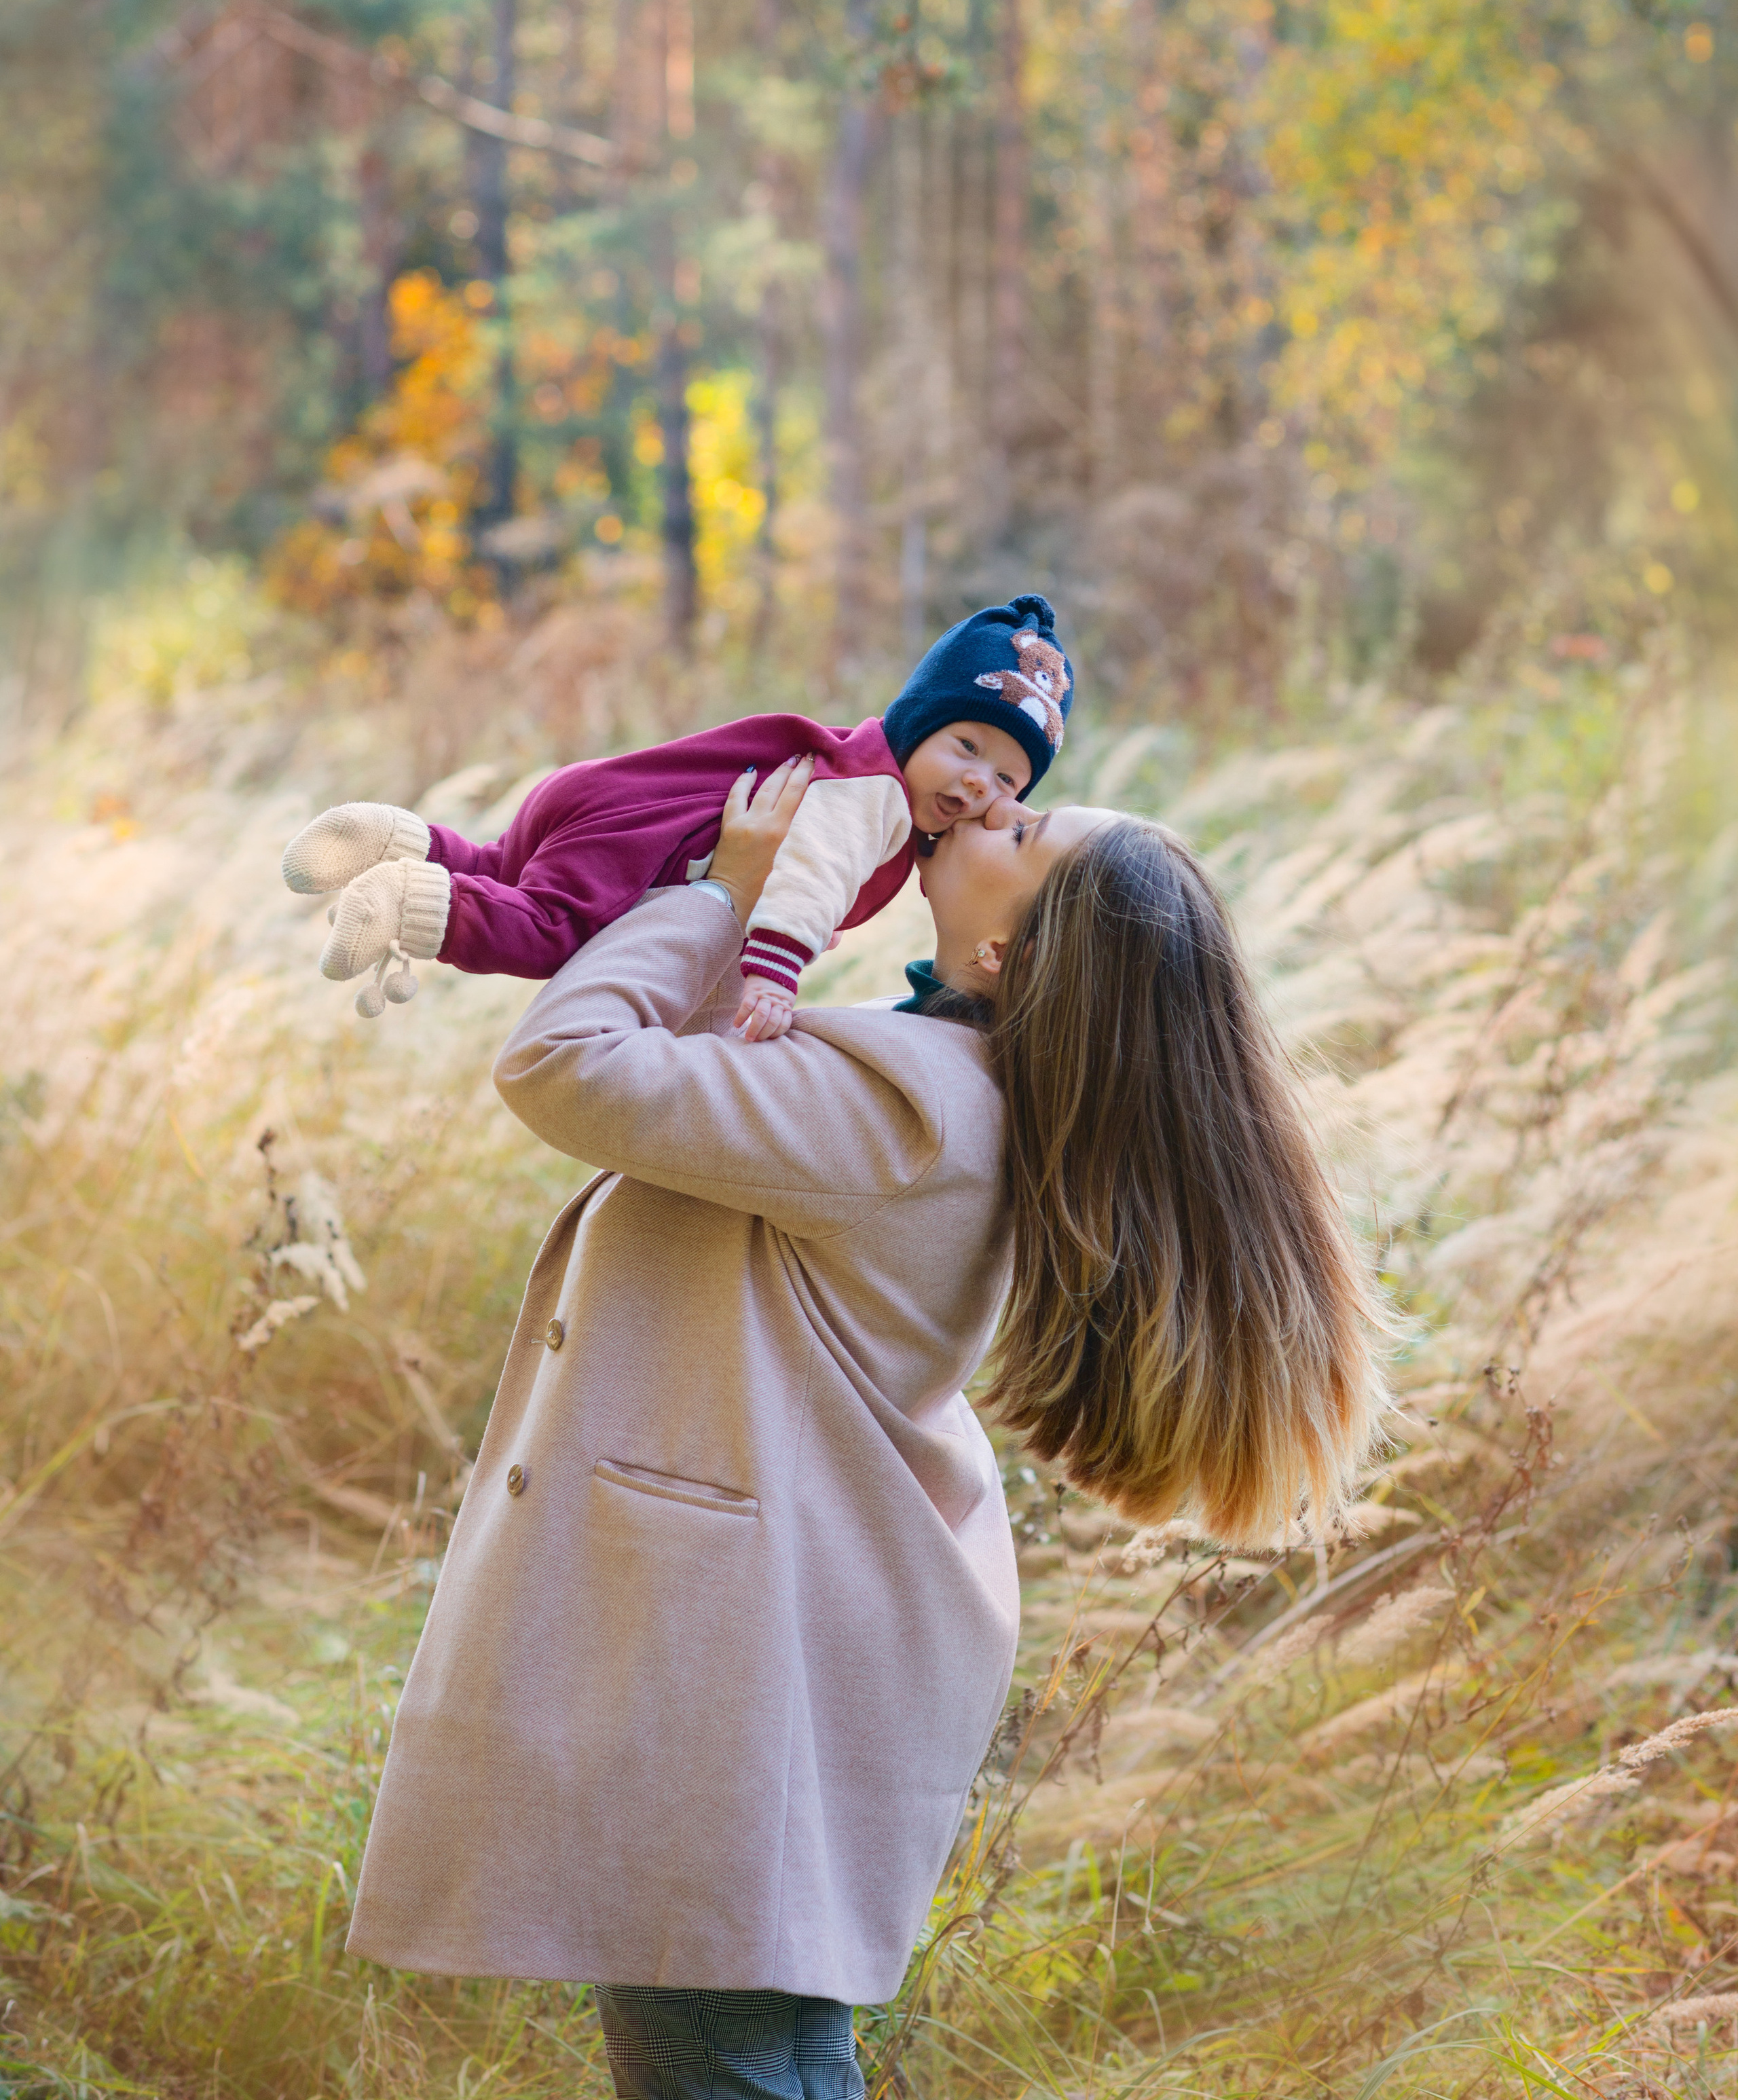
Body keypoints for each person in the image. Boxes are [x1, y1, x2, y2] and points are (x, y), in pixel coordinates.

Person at [345, 760, 1390, 2100]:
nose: (988, 807)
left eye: (1023, 828)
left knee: (716, 2058)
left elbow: (566, 1066)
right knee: (766, 2050)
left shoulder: (903, 1110)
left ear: (1006, 951)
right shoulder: (947, 1094)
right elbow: (694, 1097)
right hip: (778, 1636)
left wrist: (726, 896)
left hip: (724, 1655)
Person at [280, 592, 1072, 1033]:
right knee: (550, 927)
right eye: (965, 746)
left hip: (601, 799)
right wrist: (775, 971)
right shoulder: (875, 798)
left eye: (1007, 779)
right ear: (916, 723)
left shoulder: (849, 762)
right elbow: (812, 876)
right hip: (645, 848)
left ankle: (398, 839)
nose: (978, 783)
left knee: (501, 869)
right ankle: (410, 903)